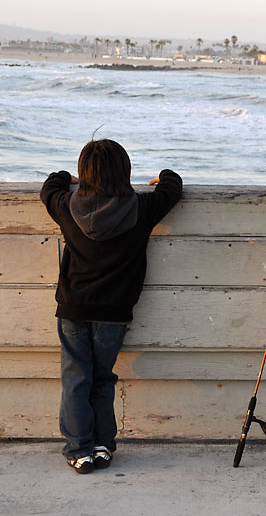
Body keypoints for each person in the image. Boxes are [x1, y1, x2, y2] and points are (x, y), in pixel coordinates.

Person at [40, 139, 183, 474]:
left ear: (83, 174)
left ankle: (79, 450)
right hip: (115, 312)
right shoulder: (141, 208)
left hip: (74, 306)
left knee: (76, 378)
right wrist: (161, 177)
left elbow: (50, 187)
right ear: (125, 172)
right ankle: (103, 445)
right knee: (103, 378)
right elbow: (172, 187)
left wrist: (68, 179)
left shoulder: (67, 206)